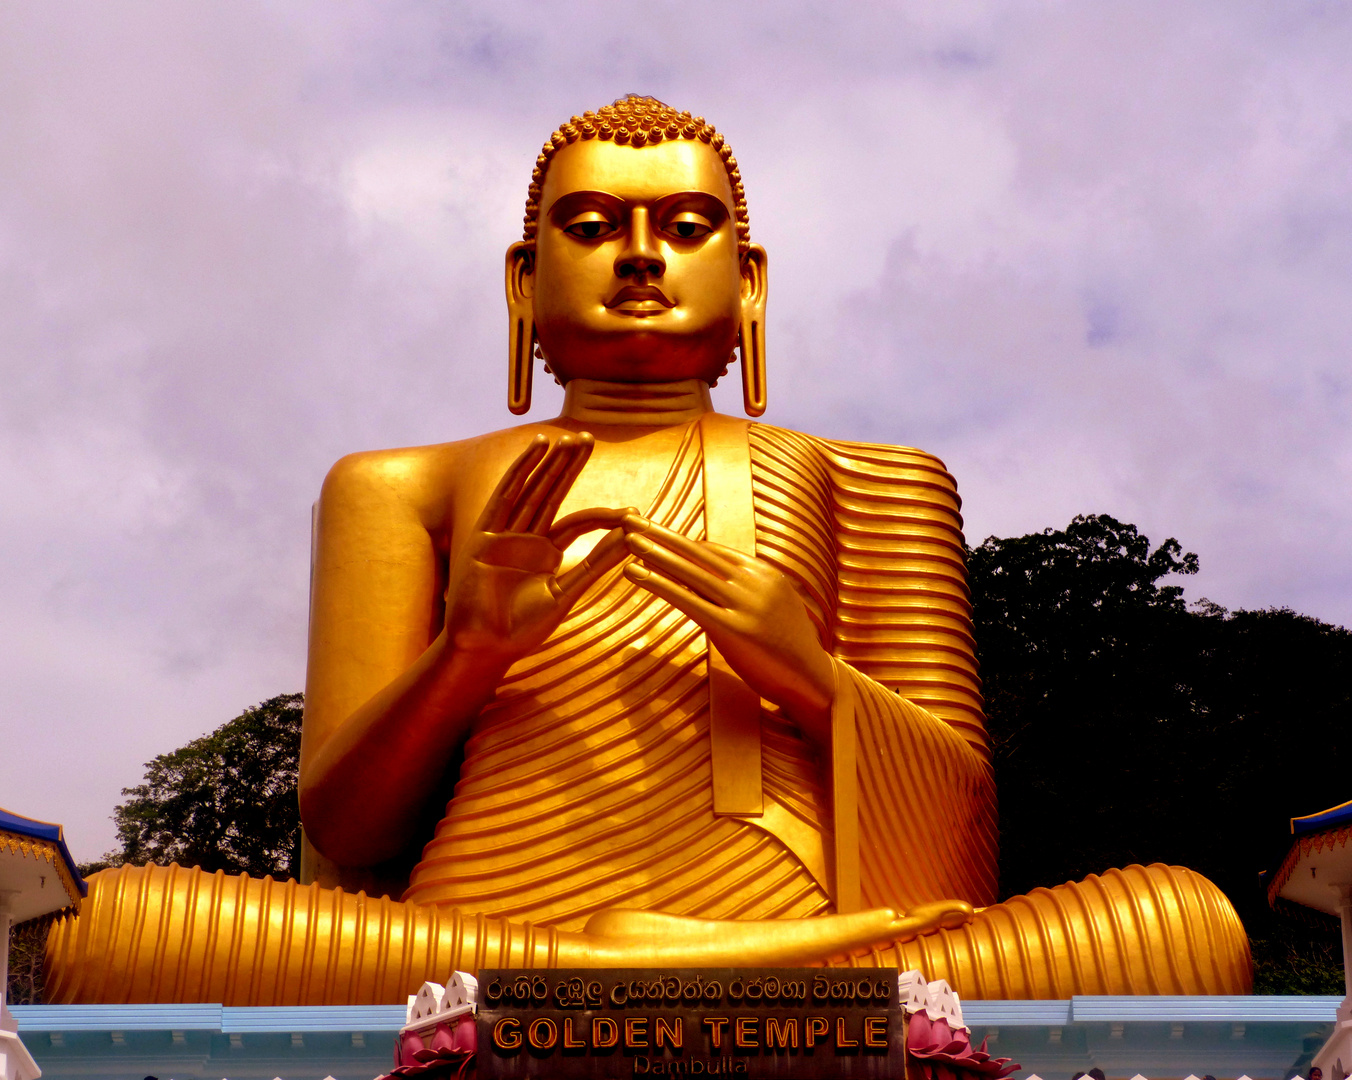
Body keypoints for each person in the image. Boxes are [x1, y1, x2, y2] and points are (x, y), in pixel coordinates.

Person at [45, 96, 1251, 1005]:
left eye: (684, 225)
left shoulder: (872, 480)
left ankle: (623, 978)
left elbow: (957, 851)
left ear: (750, 283)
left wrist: (808, 677)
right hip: (472, 945)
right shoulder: (398, 488)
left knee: (1183, 925)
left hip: (825, 942)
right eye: (589, 225)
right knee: (108, 930)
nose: (639, 255)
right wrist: (465, 652)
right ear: (523, 283)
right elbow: (346, 844)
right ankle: (614, 971)